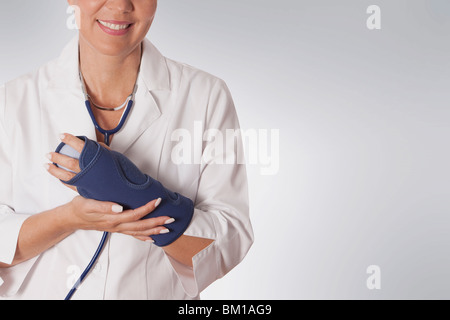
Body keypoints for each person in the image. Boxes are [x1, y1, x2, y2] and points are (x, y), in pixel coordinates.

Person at [0, 0, 253, 300]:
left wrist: (132, 193)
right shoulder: (12, 102)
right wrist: (68, 218)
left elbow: (228, 242)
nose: (120, 6)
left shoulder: (206, 97)